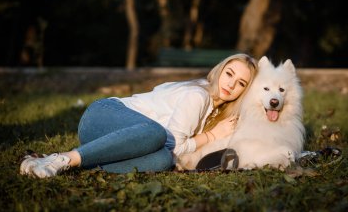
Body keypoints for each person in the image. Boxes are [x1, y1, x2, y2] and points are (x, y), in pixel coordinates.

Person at [20, 53, 257, 178]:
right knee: (154, 134)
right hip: (103, 116)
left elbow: (168, 152)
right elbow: (173, 143)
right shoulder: (198, 95)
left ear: (244, 91)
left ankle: (74, 162)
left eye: (240, 83)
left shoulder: (212, 108)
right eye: (229, 74)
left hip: (111, 142)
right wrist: (212, 136)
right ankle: (61, 159)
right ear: (220, 70)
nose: (231, 84)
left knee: (162, 161)